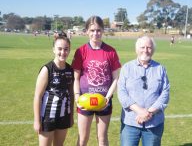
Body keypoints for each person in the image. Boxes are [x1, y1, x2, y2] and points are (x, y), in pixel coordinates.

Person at [71, 15, 121, 146]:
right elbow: (75, 78)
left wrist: (108, 98)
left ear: (103, 31)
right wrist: (77, 98)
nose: (95, 33)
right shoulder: (80, 51)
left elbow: (116, 78)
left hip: (104, 101)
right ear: (87, 31)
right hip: (84, 101)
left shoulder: (111, 52)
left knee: (102, 138)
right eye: (92, 30)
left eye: (98, 30)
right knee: (82, 138)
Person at [117, 36, 170, 146]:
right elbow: (122, 93)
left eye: (149, 47)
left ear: (153, 50)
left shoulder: (160, 69)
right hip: (130, 123)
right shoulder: (127, 68)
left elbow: (165, 93)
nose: (145, 50)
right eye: (142, 47)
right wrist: (140, 111)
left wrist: (149, 112)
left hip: (154, 124)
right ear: (136, 49)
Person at [33, 32, 74, 146]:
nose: (63, 52)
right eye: (59, 49)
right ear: (54, 50)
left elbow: (71, 94)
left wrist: (71, 116)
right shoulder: (47, 69)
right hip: (47, 117)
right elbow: (38, 96)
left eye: (66, 49)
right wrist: (37, 120)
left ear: (69, 50)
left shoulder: (70, 70)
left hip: (63, 115)